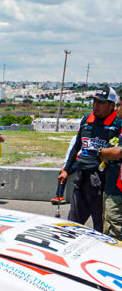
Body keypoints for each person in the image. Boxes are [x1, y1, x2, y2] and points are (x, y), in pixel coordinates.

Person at [58, 86, 122, 233]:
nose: (95, 105)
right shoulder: (87, 119)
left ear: (111, 105)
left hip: (102, 182)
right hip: (82, 179)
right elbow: (76, 146)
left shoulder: (118, 123)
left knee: (100, 228)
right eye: (94, 101)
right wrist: (66, 170)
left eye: (100, 102)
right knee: (71, 226)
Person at [97, 91, 122, 239]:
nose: (117, 108)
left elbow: (118, 152)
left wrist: (101, 151)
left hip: (117, 192)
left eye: (119, 105)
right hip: (113, 187)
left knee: (114, 234)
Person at [51, 135, 77, 205]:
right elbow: (70, 152)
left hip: (85, 160)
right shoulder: (75, 138)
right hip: (75, 161)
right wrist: (65, 166)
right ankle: (60, 196)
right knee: (62, 173)